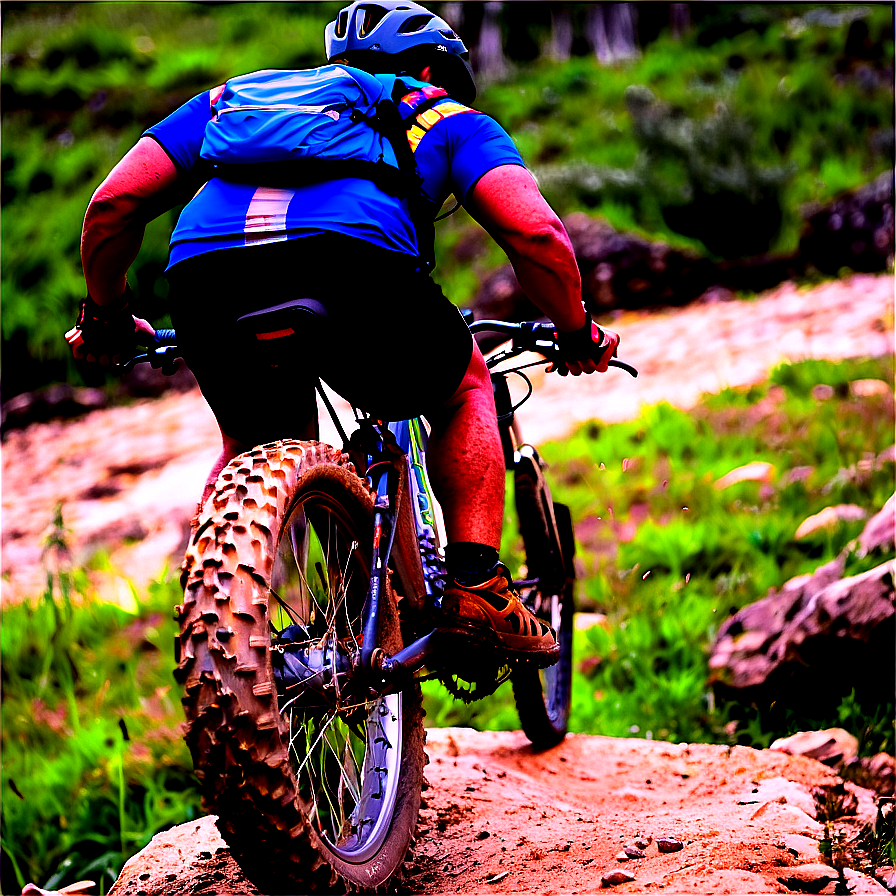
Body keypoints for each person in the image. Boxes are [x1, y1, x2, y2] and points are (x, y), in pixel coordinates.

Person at [67, 0, 620, 665]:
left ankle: (218, 632)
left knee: (252, 444)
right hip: (354, 270)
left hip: (207, 278)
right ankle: (476, 585)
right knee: (465, 383)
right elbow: (536, 233)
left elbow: (113, 204)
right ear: (426, 67)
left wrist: (103, 316)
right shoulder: (441, 113)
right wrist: (576, 329)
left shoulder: (227, 100)